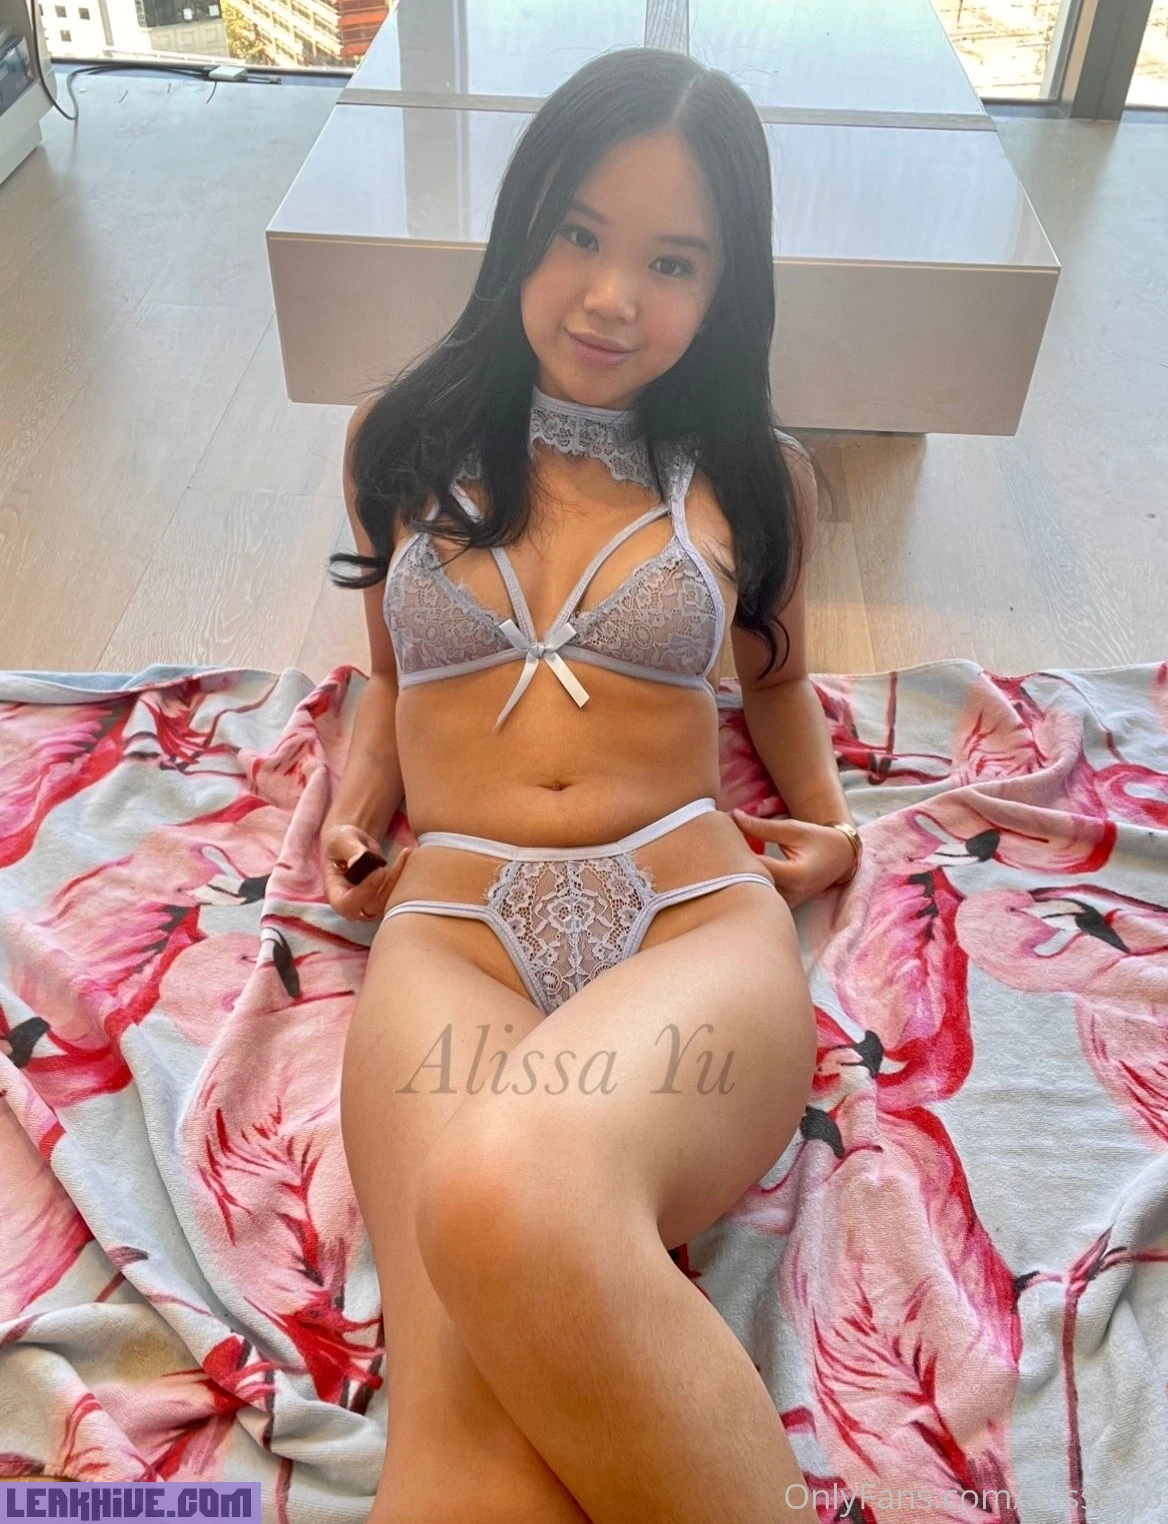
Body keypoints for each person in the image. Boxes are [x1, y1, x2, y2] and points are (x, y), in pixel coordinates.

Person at [321, 45, 860, 1524]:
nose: (613, 296)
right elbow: (391, 677)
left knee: (510, 1191)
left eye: (673, 260)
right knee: (459, 1431)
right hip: (457, 930)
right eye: (579, 234)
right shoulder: (396, 441)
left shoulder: (758, 475)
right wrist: (354, 812)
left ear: (725, 283)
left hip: (689, 915)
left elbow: (775, 681)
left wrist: (834, 828)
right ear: (524, 224)